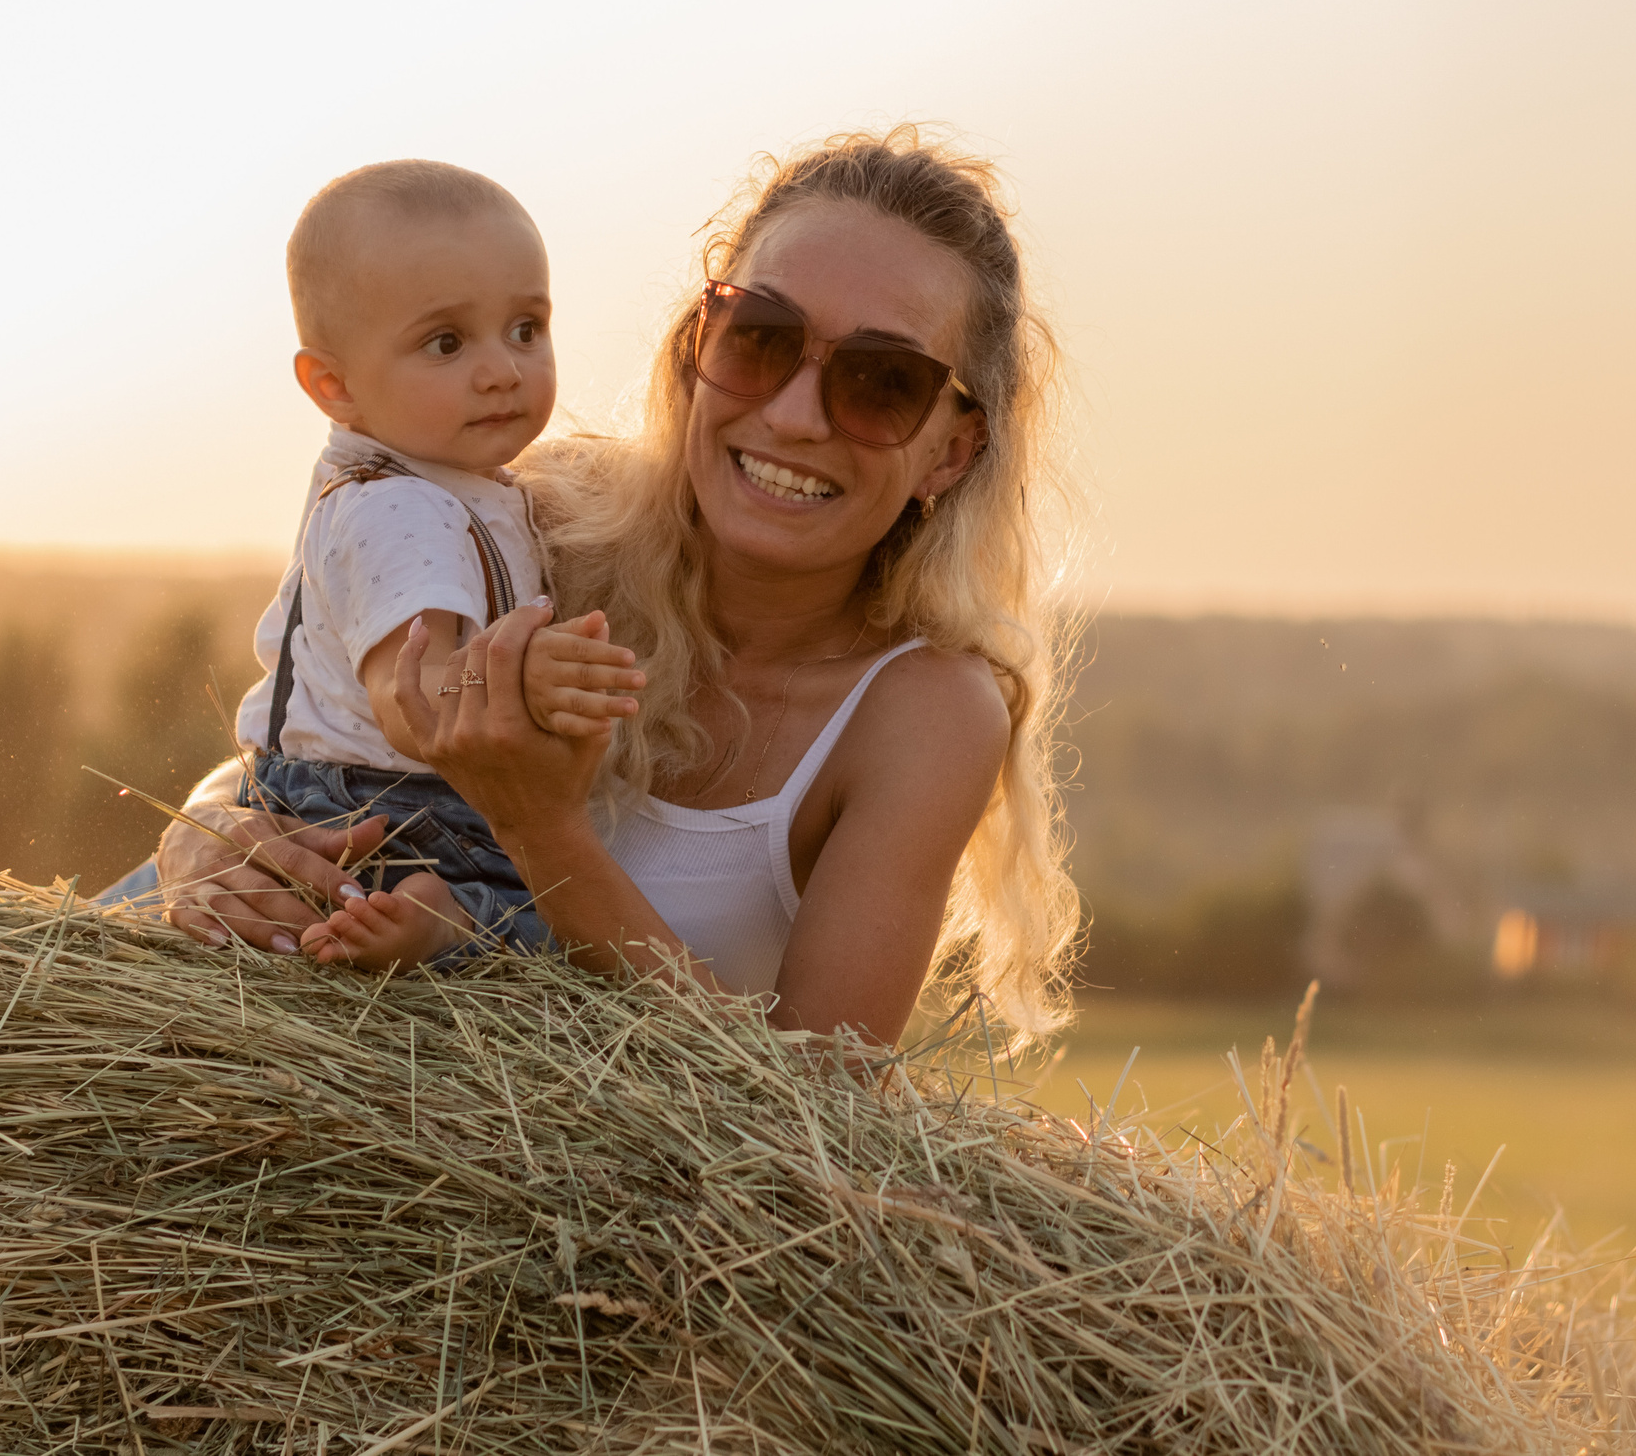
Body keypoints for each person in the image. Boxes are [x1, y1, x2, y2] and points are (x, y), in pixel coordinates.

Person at [159, 128, 1080, 1046]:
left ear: (951, 451)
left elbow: (819, 1118)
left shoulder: (924, 712)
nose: (795, 416)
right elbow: (322, 721)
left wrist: (540, 826)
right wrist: (198, 835)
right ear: (698, 344)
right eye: (761, 338)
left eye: (883, 382)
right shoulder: (539, 523)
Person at [220, 158, 621, 976]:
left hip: (387, 798)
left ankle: (431, 913)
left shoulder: (454, 482)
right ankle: (437, 914)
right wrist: (524, 680)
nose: (502, 368)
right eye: (446, 342)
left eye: (526, 329)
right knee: (570, 936)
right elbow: (410, 697)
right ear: (333, 385)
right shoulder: (394, 506)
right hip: (373, 809)